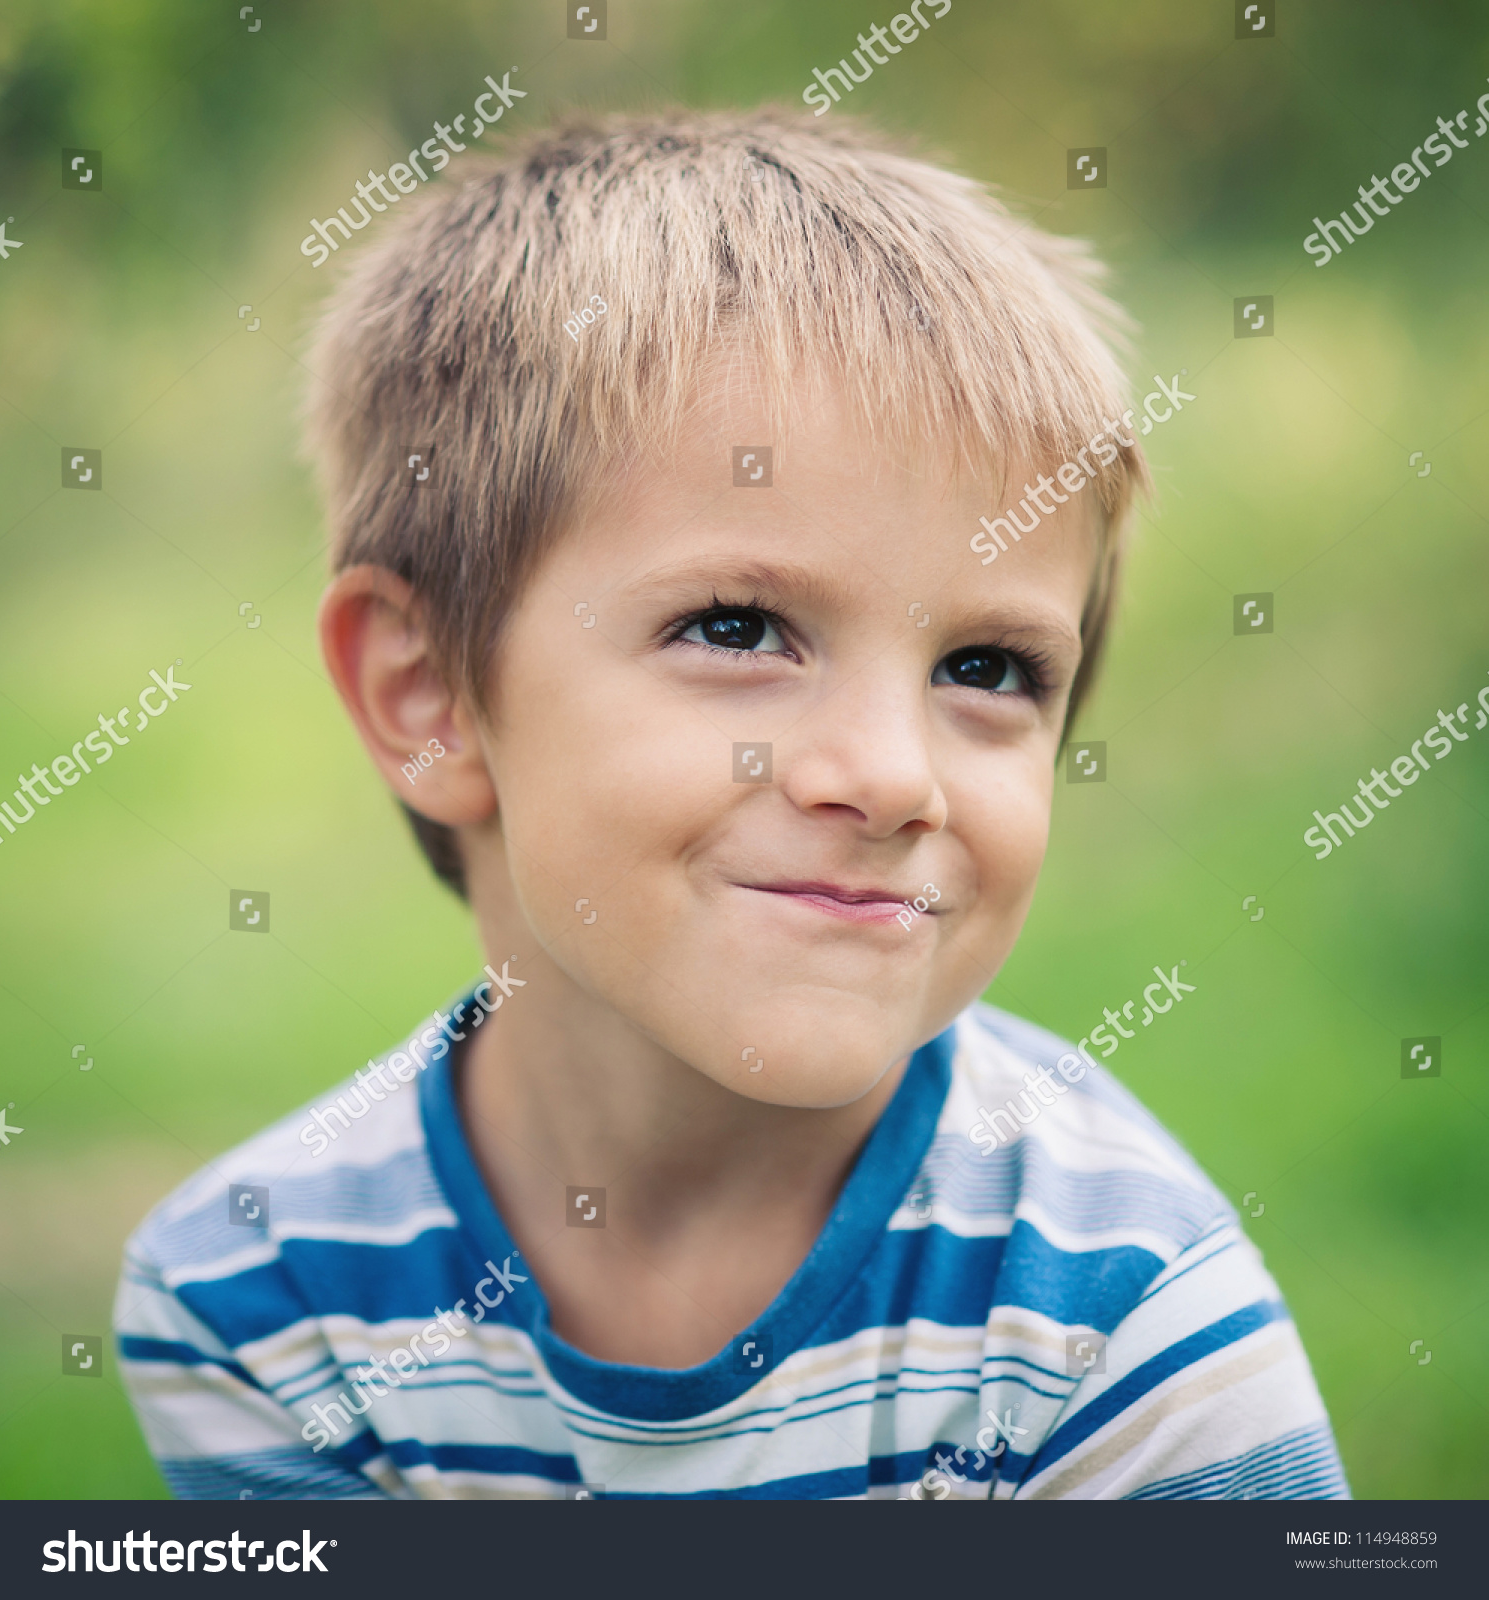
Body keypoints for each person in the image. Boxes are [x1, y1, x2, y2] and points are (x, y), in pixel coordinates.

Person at [115, 107, 1346, 1500]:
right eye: (740, 631)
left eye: (985, 666)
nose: (891, 773)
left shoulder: (1116, 1321)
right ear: (429, 694)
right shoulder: (259, 1306)